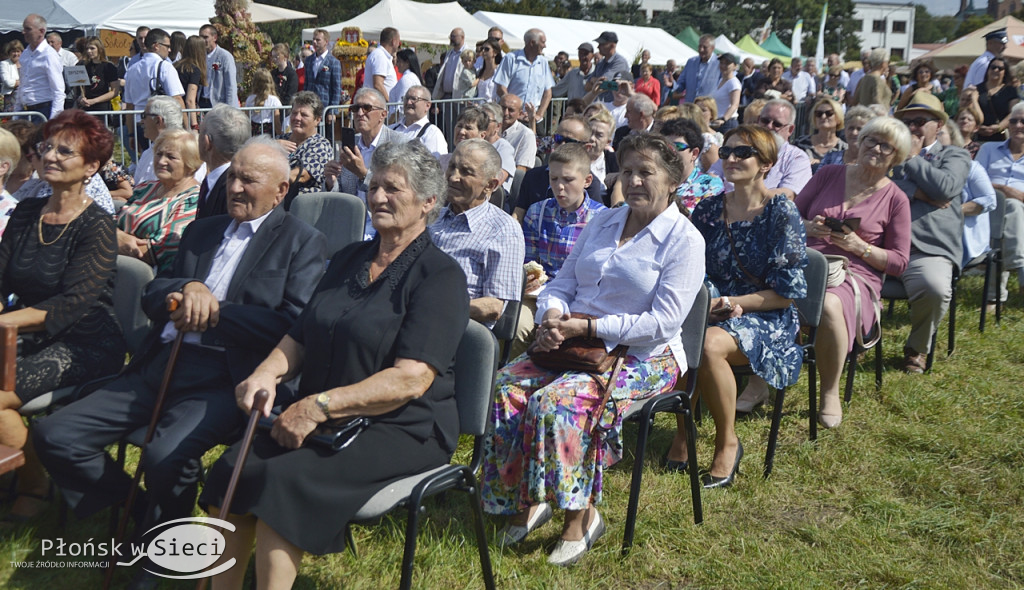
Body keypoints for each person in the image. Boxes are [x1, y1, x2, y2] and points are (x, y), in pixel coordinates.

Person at [35, 137, 326, 587]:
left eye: (249, 180)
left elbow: (290, 325)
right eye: (232, 176)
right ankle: (140, 516)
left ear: (281, 190)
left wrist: (213, 311)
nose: (235, 187)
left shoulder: (302, 242)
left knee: (164, 454)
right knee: (56, 434)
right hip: (162, 360)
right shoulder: (202, 230)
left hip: (230, 376)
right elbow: (155, 289)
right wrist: (184, 288)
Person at [195, 139, 465, 589]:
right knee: (234, 470)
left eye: (393, 189)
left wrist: (318, 406)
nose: (378, 197)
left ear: (427, 203)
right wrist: (267, 372)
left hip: (402, 425)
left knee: (283, 482)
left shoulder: (440, 277)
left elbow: (411, 379)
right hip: (324, 411)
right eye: (374, 186)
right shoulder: (348, 259)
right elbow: (300, 335)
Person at [482, 132, 705, 566]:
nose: (635, 181)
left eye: (647, 172)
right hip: (575, 339)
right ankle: (528, 500)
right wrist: (551, 316)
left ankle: (580, 518)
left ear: (674, 180)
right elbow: (564, 280)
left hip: (645, 355)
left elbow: (663, 322)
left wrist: (587, 324)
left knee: (557, 404)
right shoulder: (603, 221)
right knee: (507, 386)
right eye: (628, 171)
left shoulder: (685, 240)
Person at [0, 111, 126, 521]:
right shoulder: (24, 213)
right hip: (24, 332)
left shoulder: (97, 225)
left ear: (92, 167)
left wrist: (6, 322)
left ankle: (35, 487)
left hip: (85, 341)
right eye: (47, 147)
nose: (50, 156)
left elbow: (75, 303)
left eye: (65, 150)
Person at [665, 125, 807, 487]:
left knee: (709, 344)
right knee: (679, 333)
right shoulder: (710, 210)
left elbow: (786, 293)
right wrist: (707, 301)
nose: (729, 159)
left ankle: (727, 441)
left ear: (766, 164)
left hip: (767, 315)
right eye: (726, 152)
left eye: (742, 153)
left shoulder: (781, 213)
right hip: (711, 308)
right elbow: (692, 269)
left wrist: (732, 302)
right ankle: (684, 433)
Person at [794, 117, 912, 427]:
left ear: (896, 157)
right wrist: (808, 226)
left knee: (830, 303)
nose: (875, 148)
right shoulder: (828, 174)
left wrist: (859, 246)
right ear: (859, 142)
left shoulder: (896, 199)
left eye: (886, 145)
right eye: (871, 140)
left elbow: (900, 262)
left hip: (855, 275)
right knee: (769, 290)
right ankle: (759, 382)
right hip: (806, 261)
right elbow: (790, 215)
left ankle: (829, 390)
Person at [891, 91, 970, 374]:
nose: (912, 128)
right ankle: (858, 340)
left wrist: (912, 159)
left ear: (938, 125)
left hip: (926, 249)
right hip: (880, 244)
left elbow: (947, 187)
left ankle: (917, 346)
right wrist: (919, 192)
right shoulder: (887, 154)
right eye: (907, 122)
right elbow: (868, 186)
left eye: (919, 121)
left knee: (935, 288)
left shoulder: (955, 155)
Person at [430, 139, 524, 327]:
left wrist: (432, 309)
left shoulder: (503, 230)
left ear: (490, 185)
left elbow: (493, 306)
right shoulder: (432, 217)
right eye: (452, 167)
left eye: (466, 172)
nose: (453, 177)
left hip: (454, 330)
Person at [116, 128, 200, 272]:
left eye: (171, 157)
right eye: (159, 154)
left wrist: (112, 240)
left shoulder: (193, 200)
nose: (161, 161)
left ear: (190, 164)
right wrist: (116, 236)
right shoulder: (146, 188)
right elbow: (110, 223)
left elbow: (160, 249)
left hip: (148, 278)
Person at [326, 88, 406, 234]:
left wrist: (363, 174)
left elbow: (397, 192)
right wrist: (331, 182)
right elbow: (343, 192)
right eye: (355, 108)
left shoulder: (400, 144)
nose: (360, 113)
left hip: (384, 222)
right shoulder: (350, 145)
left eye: (367, 108)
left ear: (383, 114)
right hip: (350, 222)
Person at [975, 101, 1024, 308]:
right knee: (1009, 208)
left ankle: (995, 296)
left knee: (1011, 209)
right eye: (1013, 120)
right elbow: (975, 179)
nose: (1018, 125)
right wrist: (1005, 190)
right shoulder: (989, 149)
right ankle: (1019, 265)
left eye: (1023, 121)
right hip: (988, 206)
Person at [276, 91, 333, 206]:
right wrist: (271, 146)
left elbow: (301, 175)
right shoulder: (280, 139)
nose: (297, 118)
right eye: (294, 113)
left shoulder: (321, 145)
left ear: (317, 120)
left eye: (304, 115)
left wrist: (269, 180)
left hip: (302, 208)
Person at [660, 117, 724, 215]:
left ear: (694, 153)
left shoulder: (710, 186)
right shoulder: (652, 181)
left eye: (677, 146)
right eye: (665, 147)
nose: (670, 152)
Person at [494, 29, 553, 123]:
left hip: (534, 120)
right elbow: (501, 88)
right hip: (512, 119)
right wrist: (515, 110)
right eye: (543, 42)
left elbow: (548, 92)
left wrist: (539, 114)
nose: (545, 46)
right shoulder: (511, 59)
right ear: (532, 43)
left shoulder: (543, 62)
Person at [15, 14, 65, 119]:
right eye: (24, 29)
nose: (23, 32)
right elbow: (23, 84)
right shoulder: (25, 54)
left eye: (28, 29)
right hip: (26, 111)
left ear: (41, 31)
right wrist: (16, 112)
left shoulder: (49, 55)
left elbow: (58, 90)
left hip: (44, 111)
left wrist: (53, 119)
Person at [134, 95, 187, 185]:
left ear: (158, 120)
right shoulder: (148, 152)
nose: (141, 121)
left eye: (144, 116)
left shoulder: (185, 152)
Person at [966, 57, 1019, 143]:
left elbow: (1013, 112)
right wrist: (977, 127)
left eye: (1000, 68)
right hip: (977, 136)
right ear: (988, 70)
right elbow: (968, 111)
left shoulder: (1010, 91)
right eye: (993, 67)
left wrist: (999, 127)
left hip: (1001, 137)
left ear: (1005, 72)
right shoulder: (977, 89)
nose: (996, 70)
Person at [391, 85, 447, 159]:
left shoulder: (432, 134)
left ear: (427, 105)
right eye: (406, 98)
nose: (408, 102)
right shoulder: (391, 129)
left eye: (414, 99)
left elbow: (436, 166)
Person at [795, 96, 848, 172]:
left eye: (829, 113)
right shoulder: (800, 143)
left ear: (838, 118)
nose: (823, 116)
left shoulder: (844, 149)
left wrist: (819, 164)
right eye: (819, 114)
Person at [75, 37, 119, 125]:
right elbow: (77, 89)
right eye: (87, 48)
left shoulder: (109, 67)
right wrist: (81, 99)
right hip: (85, 108)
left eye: (92, 48)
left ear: (99, 49)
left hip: (102, 108)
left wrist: (94, 100)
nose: (89, 51)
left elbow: (115, 91)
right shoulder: (81, 65)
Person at [304, 29, 342, 124]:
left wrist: (333, 111)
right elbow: (306, 84)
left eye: (318, 40)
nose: (314, 42)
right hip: (310, 106)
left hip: (325, 108)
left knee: (327, 137)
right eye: (313, 39)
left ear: (326, 42)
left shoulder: (333, 62)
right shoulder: (308, 60)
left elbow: (336, 88)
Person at [672, 34, 720, 104]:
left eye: (705, 47)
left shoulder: (719, 63)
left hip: (707, 108)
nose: (701, 49)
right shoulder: (691, 62)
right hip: (690, 106)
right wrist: (672, 85)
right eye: (699, 46)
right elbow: (681, 82)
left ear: (712, 48)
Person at [199, 24, 237, 108]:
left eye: (205, 37)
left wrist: (230, 108)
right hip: (202, 102)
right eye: (200, 37)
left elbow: (230, 84)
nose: (202, 40)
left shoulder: (225, 56)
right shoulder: (200, 55)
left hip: (218, 103)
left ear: (215, 38)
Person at [588, 31, 632, 103]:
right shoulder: (601, 63)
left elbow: (604, 83)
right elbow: (587, 86)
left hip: (613, 108)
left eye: (602, 44)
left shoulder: (620, 62)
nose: (598, 47)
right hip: (600, 106)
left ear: (612, 45)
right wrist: (597, 82)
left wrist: (593, 80)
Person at [175, 35, 207, 130]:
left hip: (173, 112)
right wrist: (194, 125)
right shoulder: (194, 70)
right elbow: (190, 100)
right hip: (186, 115)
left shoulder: (175, 65)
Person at [500, 93, 537, 171]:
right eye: (503, 108)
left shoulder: (526, 135)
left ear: (519, 114)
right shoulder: (489, 128)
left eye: (511, 110)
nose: (506, 113)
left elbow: (521, 170)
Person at [245, 68, 283, 136]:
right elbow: (277, 122)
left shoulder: (250, 99)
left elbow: (247, 119)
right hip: (268, 130)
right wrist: (280, 134)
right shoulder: (274, 100)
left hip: (255, 130)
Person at [365, 27, 400, 99]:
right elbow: (378, 84)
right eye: (398, 42)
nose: (398, 45)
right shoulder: (380, 56)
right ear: (393, 41)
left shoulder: (382, 55)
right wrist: (389, 104)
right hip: (378, 105)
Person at [711, 53, 740, 132]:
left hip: (728, 123)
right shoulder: (721, 80)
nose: (723, 66)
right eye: (721, 63)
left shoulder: (733, 83)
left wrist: (724, 119)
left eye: (727, 63)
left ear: (734, 66)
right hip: (717, 122)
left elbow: (734, 105)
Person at [475, 38, 502, 104]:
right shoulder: (479, 71)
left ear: (495, 52)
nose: (483, 51)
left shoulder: (500, 71)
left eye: (487, 49)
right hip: (478, 109)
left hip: (493, 109)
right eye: (482, 49)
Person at [1, 41, 23, 112]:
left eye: (18, 51)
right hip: (11, 99)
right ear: (9, 52)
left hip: (25, 97)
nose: (16, 54)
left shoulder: (25, 63)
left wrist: (17, 82)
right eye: (13, 51)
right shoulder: (4, 64)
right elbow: (8, 82)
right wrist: (22, 82)